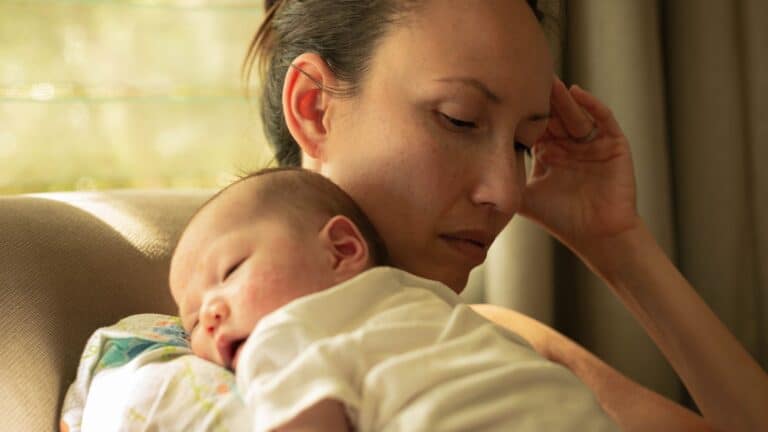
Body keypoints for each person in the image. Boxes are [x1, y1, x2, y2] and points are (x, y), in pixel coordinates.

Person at [232, 0, 768, 430]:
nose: (507, 192)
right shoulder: (196, 360)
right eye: (459, 120)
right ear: (314, 107)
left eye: (523, 144)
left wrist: (617, 243)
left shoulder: (486, 339)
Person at [170, 166, 620, 431]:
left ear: (341, 249)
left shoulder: (284, 333)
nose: (210, 315)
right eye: (190, 323)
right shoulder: (435, 307)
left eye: (229, 271)